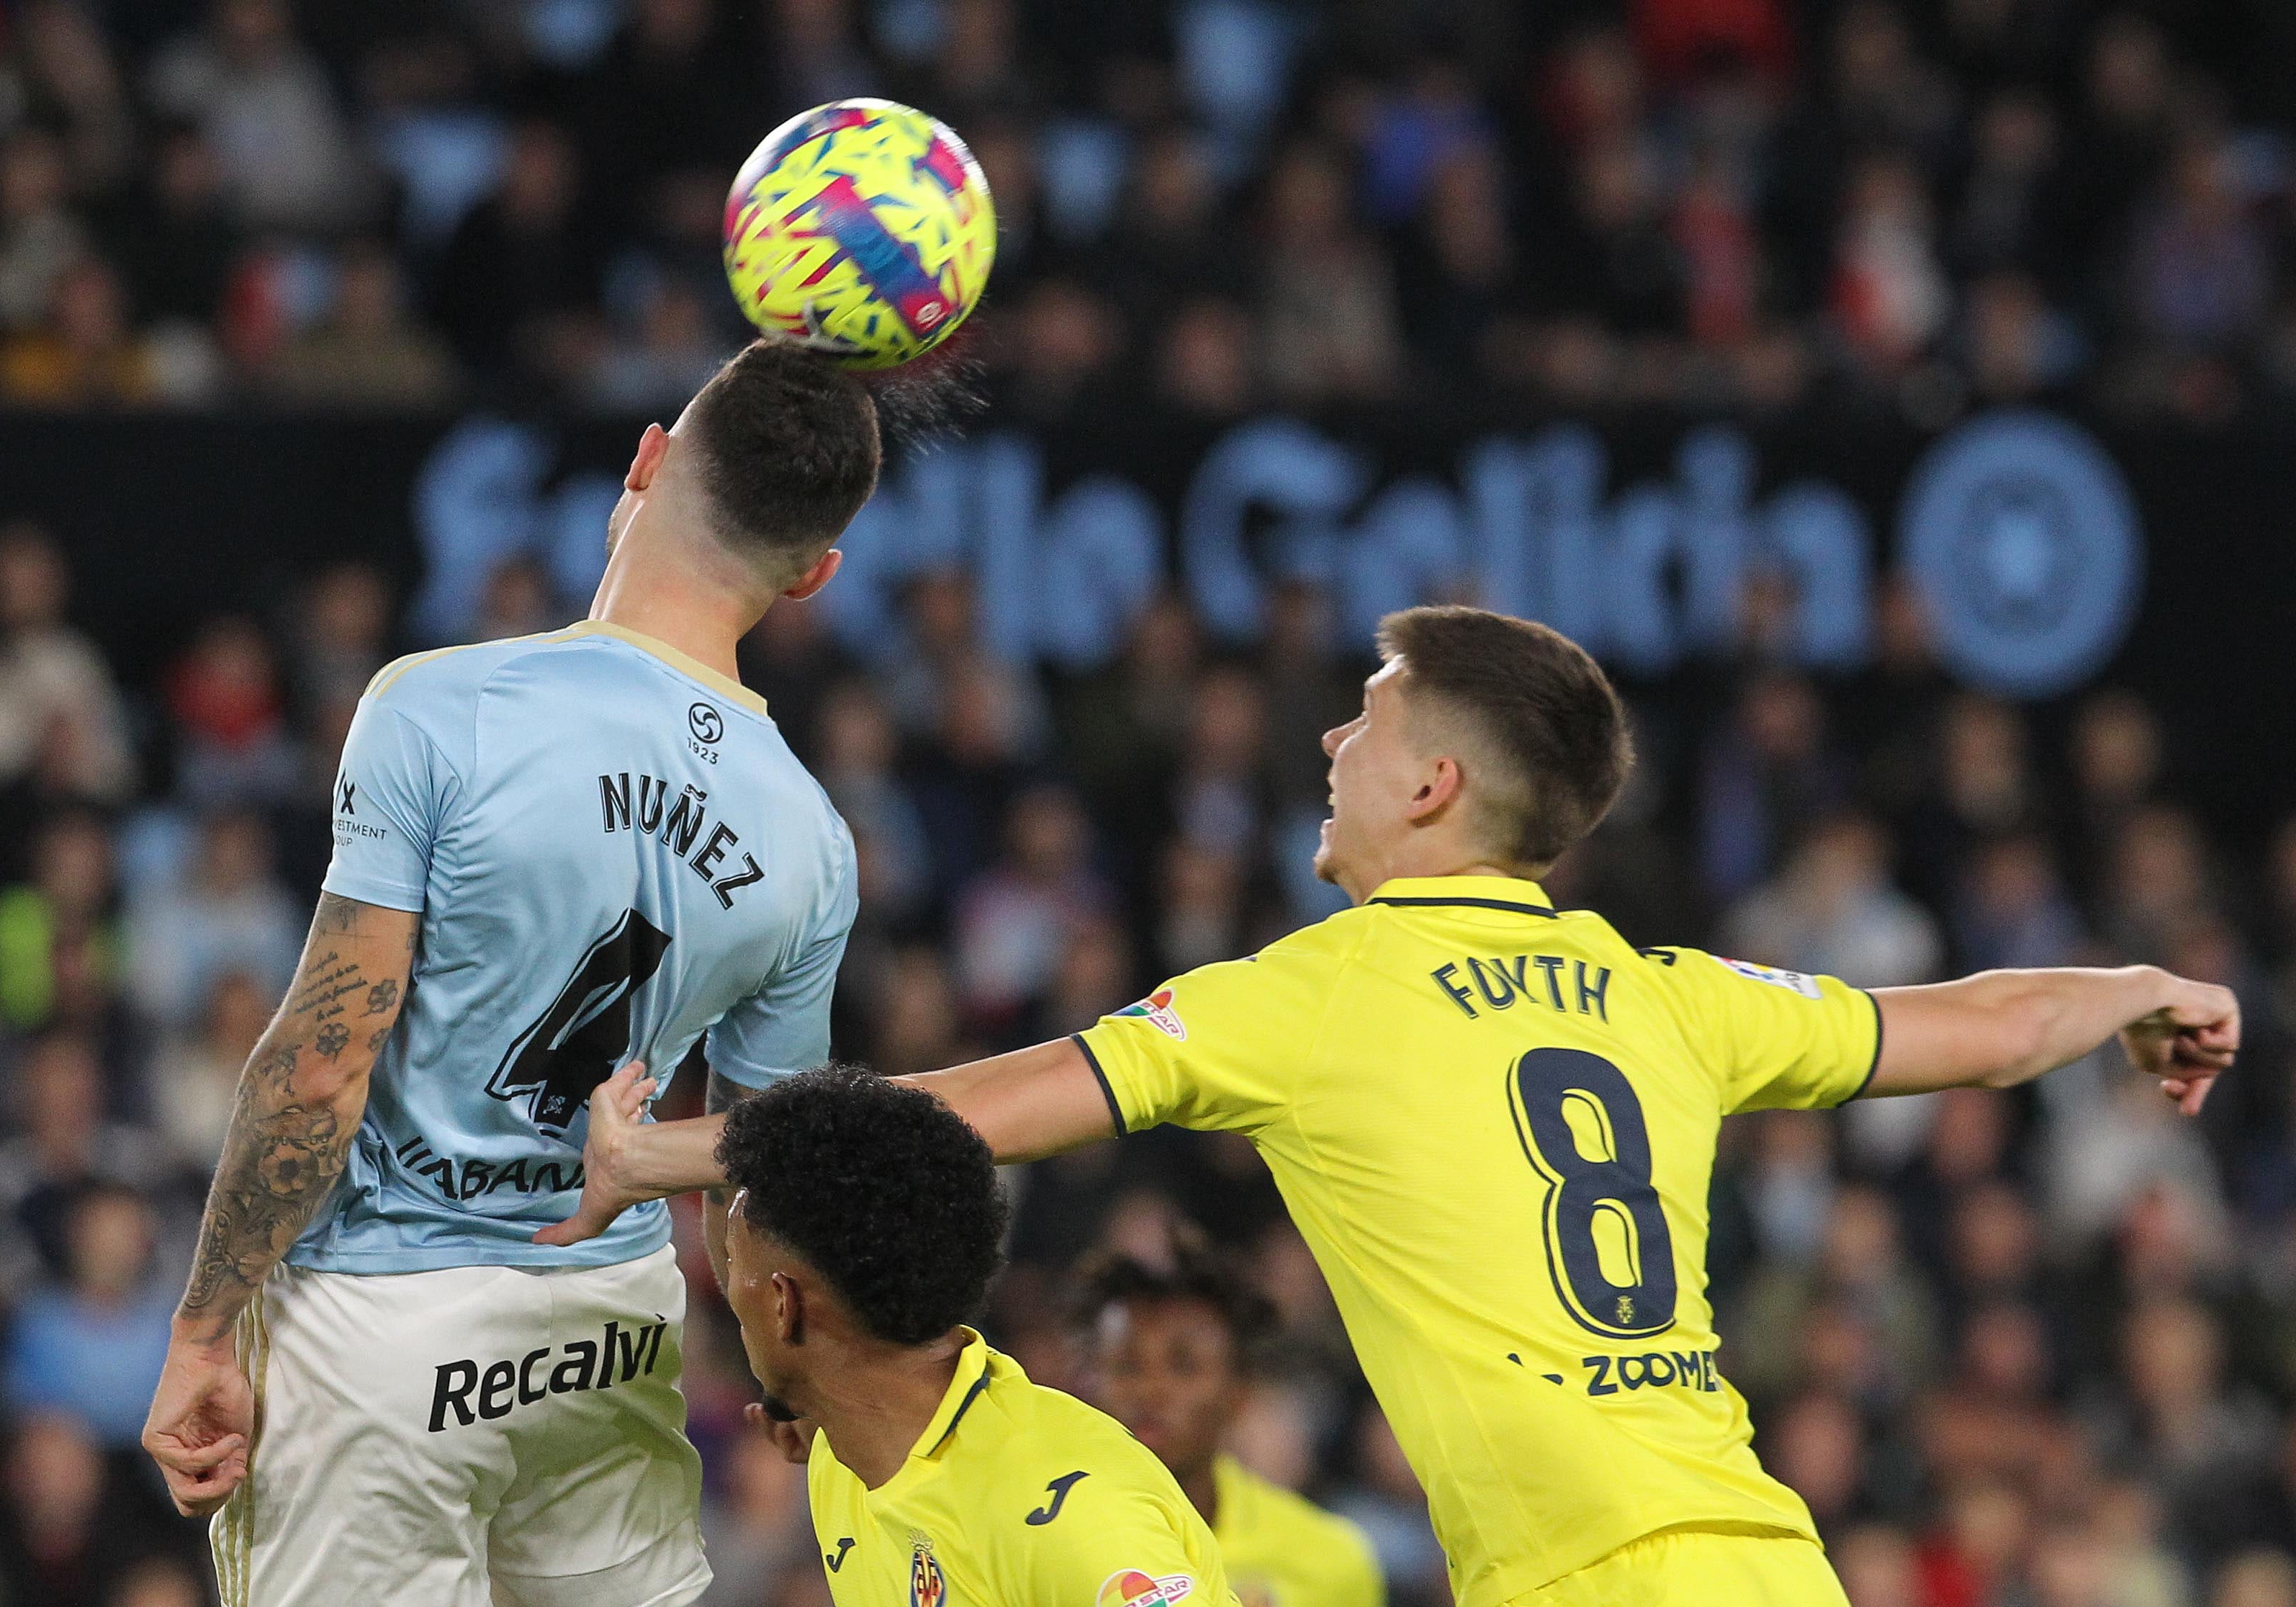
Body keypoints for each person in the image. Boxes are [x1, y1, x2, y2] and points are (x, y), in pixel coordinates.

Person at [551, 604, 2241, 1607]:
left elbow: (960, 1116)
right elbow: (1975, 1016)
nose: (1327, 737)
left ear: (1430, 781)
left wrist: (668, 1150)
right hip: (1758, 1560)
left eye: (1361, 717)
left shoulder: (1312, 993)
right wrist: (2139, 992)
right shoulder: (1666, 989)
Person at [140, 338, 882, 1607]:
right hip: (607, 1333)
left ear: (644, 462)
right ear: (814, 573)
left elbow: (321, 1064)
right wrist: (792, 1375)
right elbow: (765, 1156)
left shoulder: (441, 708)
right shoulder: (810, 838)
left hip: (377, 1333)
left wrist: (206, 1323)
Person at [713, 1064, 1237, 1607]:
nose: (727, 1286)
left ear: (783, 1306)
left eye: (731, 1261)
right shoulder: (846, 1449)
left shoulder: (1066, 1517)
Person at [1076, 1243, 1385, 1607]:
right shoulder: (1042, 1539)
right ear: (1087, 1383)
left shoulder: (1329, 1562)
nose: (1150, 1391)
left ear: (1239, 1392)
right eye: (1127, 1365)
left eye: (1184, 1366)